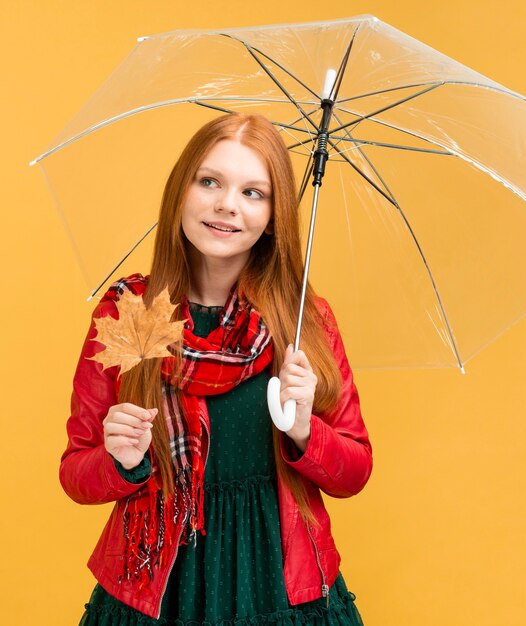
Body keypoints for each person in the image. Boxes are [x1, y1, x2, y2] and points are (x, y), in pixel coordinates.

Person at [60, 113, 373, 625]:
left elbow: (355, 469)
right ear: (181, 191)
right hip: (154, 589)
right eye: (210, 182)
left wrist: (303, 432)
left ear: (274, 217)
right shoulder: (130, 313)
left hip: (280, 585)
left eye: (254, 192)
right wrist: (118, 460)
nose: (227, 203)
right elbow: (76, 473)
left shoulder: (302, 321)